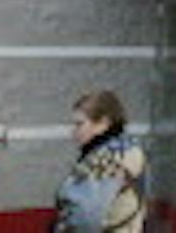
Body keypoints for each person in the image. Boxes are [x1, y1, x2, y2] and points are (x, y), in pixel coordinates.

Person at [55, 89, 147, 233]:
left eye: (80, 124)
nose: (73, 131)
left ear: (103, 123)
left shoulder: (108, 158)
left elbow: (87, 216)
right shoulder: (127, 149)